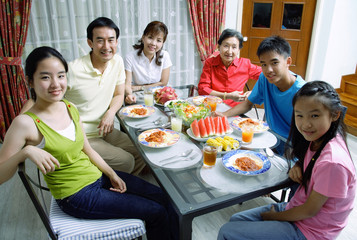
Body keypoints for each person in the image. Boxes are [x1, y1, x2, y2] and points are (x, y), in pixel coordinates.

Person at [0, 46, 178, 240]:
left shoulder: (70, 107)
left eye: (60, 76)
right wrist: (26, 152)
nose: (55, 84)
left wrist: (111, 174)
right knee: (156, 212)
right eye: (45, 77)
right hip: (76, 196)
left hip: (97, 176)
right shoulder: (25, 123)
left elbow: (87, 149)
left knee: (165, 198)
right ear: (29, 81)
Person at [217, 81, 356, 240]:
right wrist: (298, 164)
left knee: (227, 232)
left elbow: (309, 211)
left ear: (335, 114)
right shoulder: (319, 138)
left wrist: (272, 216)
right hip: (298, 207)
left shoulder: (334, 162)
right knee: (236, 220)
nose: (306, 124)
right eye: (299, 115)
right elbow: (313, 163)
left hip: (311, 230)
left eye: (315, 115)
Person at [21, 17, 145, 175]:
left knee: (142, 151)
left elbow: (119, 94)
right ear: (90, 43)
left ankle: (119, 183)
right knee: (126, 161)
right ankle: (107, 188)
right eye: (100, 40)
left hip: (105, 130)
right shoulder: (73, 69)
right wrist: (20, 124)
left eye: (111, 40)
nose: (106, 46)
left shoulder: (117, 62)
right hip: (81, 136)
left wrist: (110, 113)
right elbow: (37, 97)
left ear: (116, 42)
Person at [215, 35, 305, 147]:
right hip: (268, 139)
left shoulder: (303, 92)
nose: (269, 70)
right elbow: (248, 104)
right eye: (264, 64)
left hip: (292, 148)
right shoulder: (264, 78)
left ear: (288, 61)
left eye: (274, 63)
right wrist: (223, 115)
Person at [198, 29, 262, 107]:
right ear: (219, 46)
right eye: (226, 46)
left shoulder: (245, 64)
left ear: (239, 50)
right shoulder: (210, 63)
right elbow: (202, 89)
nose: (229, 51)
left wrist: (255, 91)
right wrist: (227, 96)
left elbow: (268, 76)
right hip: (213, 107)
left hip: (235, 110)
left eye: (234, 47)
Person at [124, 21, 172, 104]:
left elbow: (163, 83)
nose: (153, 43)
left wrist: (139, 87)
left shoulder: (165, 56)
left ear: (162, 43)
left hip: (159, 97)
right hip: (137, 98)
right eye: (150, 37)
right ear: (143, 37)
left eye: (159, 40)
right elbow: (127, 85)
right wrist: (129, 95)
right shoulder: (130, 57)